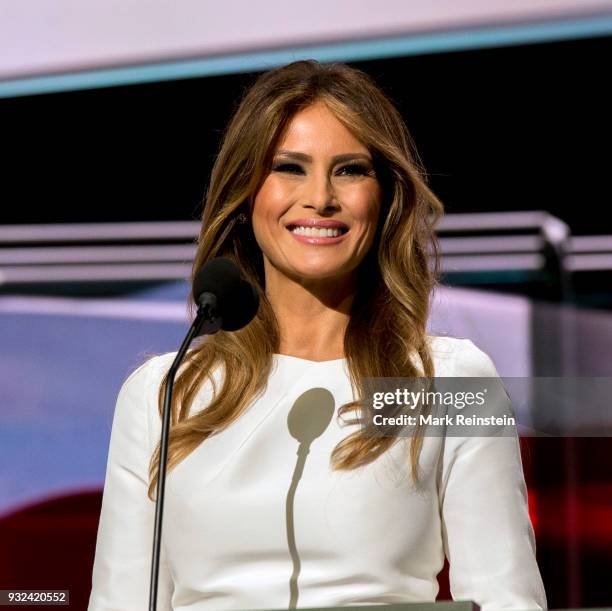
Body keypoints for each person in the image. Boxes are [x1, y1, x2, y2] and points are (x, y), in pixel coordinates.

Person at [88, 59, 547, 611]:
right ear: (246, 192)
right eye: (289, 167)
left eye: (350, 169)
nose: (320, 198)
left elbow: (508, 601)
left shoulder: (452, 380)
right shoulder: (161, 392)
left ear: (385, 198)